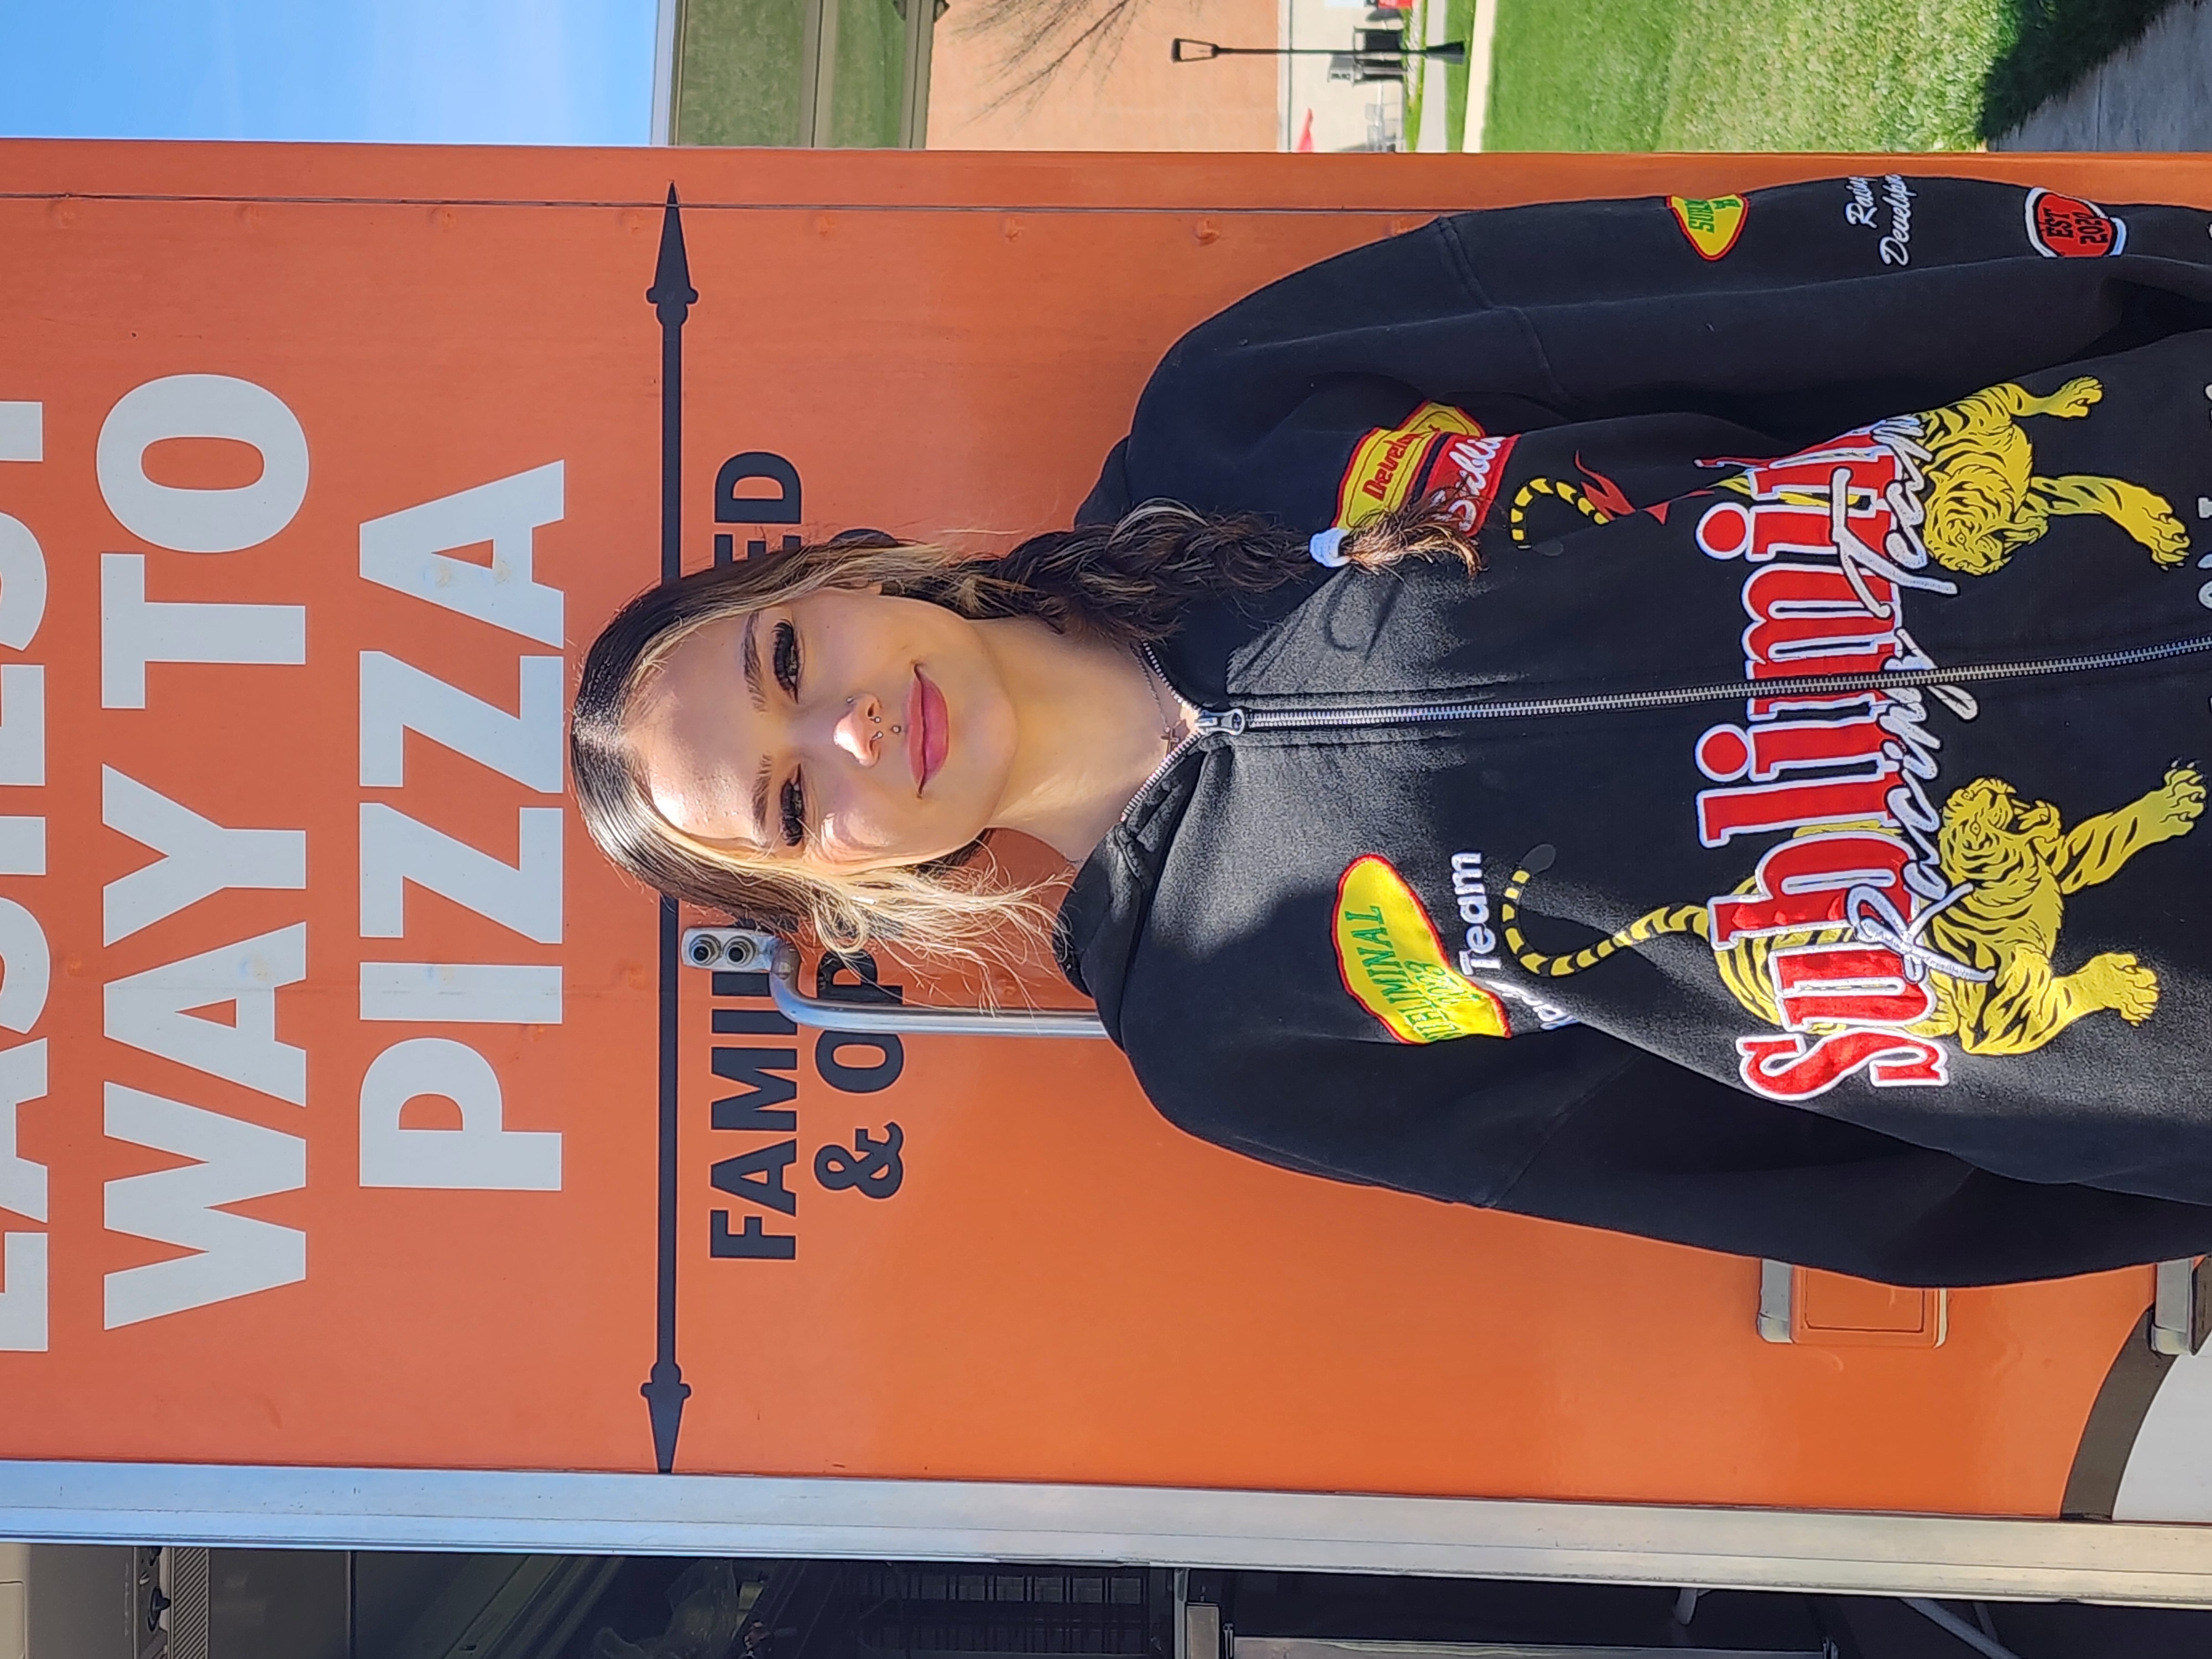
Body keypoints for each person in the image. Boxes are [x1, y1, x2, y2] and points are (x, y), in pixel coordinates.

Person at [575, 174, 2212, 1287]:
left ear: (841, 572)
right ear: (846, 900)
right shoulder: (1223, 1037)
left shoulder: (1240, 409)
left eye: (787, 656)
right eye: (791, 804)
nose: (851, 726)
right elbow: (1779, 1166)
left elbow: (1801, 291)